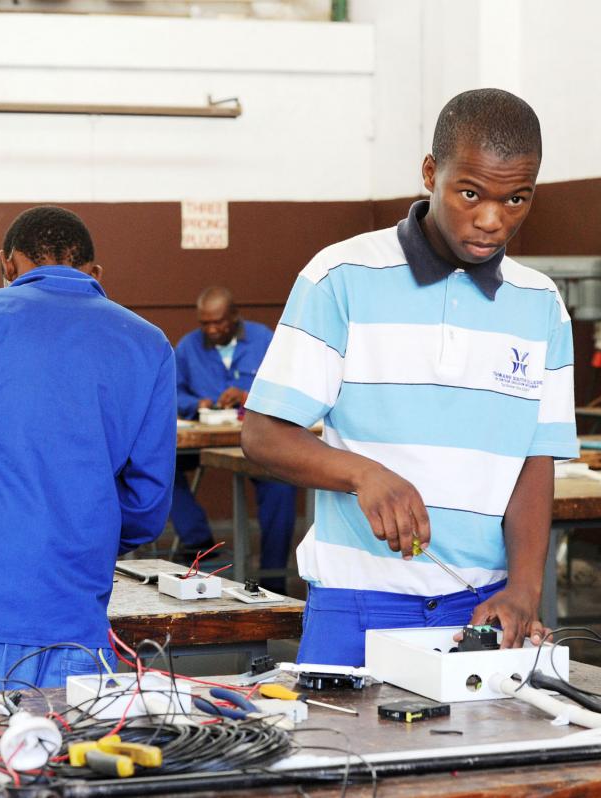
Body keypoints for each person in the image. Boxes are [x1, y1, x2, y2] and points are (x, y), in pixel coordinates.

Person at [241, 88, 577, 665]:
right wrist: (362, 474)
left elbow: (534, 459)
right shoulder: (340, 276)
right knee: (341, 754)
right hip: (357, 604)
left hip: (481, 610)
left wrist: (523, 588)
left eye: (516, 199)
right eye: (470, 193)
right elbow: (263, 435)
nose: (492, 220)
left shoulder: (541, 304)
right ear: (430, 173)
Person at [0, 206, 176, 695]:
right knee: (69, 763)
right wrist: (82, 534)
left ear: (7, 264)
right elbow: (148, 505)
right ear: (95, 273)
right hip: (76, 625)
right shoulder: (149, 344)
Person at [173, 287, 296, 593]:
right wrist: (196, 403)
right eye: (205, 323)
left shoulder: (263, 338)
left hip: (255, 437)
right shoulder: (188, 346)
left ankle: (273, 576)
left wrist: (247, 396)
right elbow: (172, 391)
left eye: (218, 322)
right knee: (160, 468)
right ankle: (199, 542)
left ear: (235, 317)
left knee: (281, 483)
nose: (212, 329)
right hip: (200, 438)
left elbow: (286, 383)